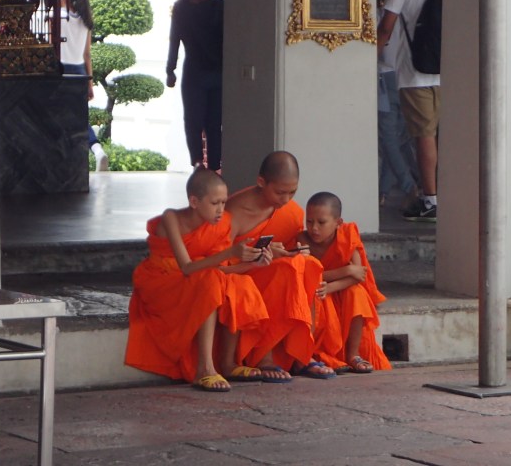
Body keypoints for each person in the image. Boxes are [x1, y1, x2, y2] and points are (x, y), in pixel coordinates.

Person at [125, 167, 272, 391]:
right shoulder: (171, 218)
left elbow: (218, 270)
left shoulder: (220, 225)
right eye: (215, 203)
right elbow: (187, 268)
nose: (221, 210)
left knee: (239, 283)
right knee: (210, 282)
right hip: (162, 281)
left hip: (199, 276)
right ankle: (204, 368)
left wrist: (252, 264)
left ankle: (228, 363)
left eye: (224, 202)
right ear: (194, 201)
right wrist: (230, 253)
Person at [225, 151, 337, 380]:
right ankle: (264, 357)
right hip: (240, 275)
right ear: (261, 182)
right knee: (286, 270)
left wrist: (296, 252)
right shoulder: (234, 211)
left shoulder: (291, 211)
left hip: (274, 271)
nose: (286, 200)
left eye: (292, 192)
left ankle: (303, 354)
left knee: (308, 265)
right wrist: (259, 257)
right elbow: (221, 262)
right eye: (280, 192)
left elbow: (290, 247)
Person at [376, 0, 443, 222]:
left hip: (416, 72)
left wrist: (369, 61)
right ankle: (443, 193)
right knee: (439, 135)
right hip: (447, 70)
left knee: (424, 137)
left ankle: (430, 199)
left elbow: (386, 27)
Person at [299, 192, 392, 373]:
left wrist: (331, 286)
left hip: (338, 290)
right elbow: (305, 275)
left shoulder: (347, 236)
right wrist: (346, 271)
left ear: (338, 223)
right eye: (309, 222)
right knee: (313, 294)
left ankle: (353, 354)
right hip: (319, 292)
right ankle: (312, 354)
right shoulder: (302, 240)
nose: (314, 228)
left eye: (321, 222)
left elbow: (359, 275)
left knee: (357, 293)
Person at [166, 0, 225, 170]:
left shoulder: (181, 8)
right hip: (216, 72)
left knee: (195, 121)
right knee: (210, 123)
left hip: (195, 73)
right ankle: (210, 167)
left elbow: (174, 40)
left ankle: (201, 164)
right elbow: (174, 39)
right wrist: (170, 69)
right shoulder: (220, 7)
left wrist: (170, 70)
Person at [60, 0, 108, 171]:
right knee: (80, 116)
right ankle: (96, 149)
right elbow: (87, 54)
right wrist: (90, 83)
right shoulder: (85, 20)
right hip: (80, 71)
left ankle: (66, 160)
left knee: (60, 117)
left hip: (61, 71)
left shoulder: (55, 17)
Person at [377, 2, 418, 208]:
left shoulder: (382, 16)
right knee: (398, 138)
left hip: (385, 77)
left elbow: (382, 42)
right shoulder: (410, 13)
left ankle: (409, 185)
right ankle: (383, 190)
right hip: (409, 77)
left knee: (389, 139)